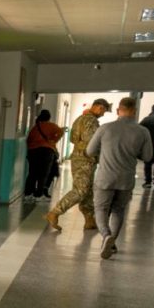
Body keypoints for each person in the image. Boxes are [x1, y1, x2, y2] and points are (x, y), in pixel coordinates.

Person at [86, 97, 152, 259]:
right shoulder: (143, 131)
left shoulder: (105, 128)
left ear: (118, 111)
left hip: (105, 178)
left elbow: (89, 151)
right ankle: (112, 242)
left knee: (101, 209)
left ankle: (106, 235)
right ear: (134, 112)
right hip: (126, 179)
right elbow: (148, 156)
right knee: (118, 210)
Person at [45, 98, 111, 232]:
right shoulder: (91, 121)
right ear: (99, 107)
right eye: (103, 110)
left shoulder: (80, 119)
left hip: (78, 157)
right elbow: (92, 141)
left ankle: (89, 220)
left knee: (87, 191)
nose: (103, 114)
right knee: (81, 190)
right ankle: (55, 213)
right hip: (85, 159)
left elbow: (72, 138)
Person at [24, 109, 63, 200]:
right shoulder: (52, 126)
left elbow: (29, 140)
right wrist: (54, 140)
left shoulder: (35, 127)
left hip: (33, 152)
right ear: (49, 117)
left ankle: (28, 192)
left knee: (32, 173)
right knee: (43, 173)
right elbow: (60, 132)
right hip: (47, 152)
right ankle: (39, 194)